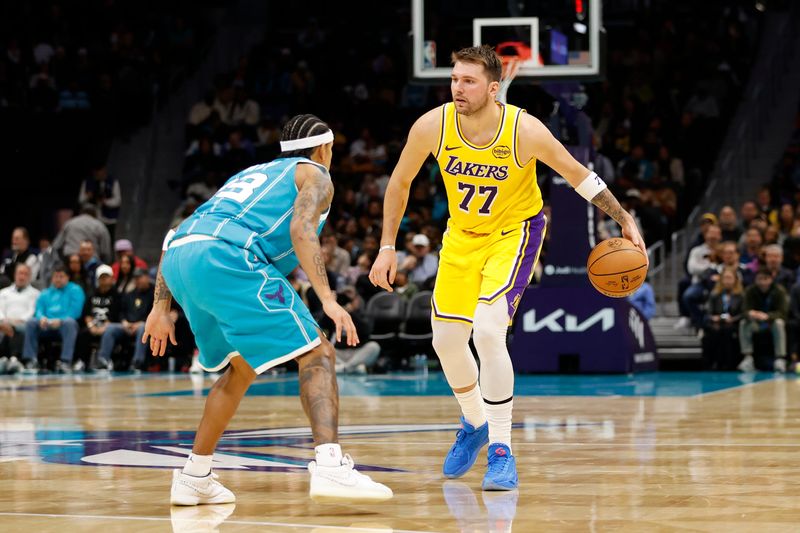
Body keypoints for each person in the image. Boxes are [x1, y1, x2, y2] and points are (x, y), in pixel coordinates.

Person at [369, 45, 646, 491]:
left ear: (493, 88)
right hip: (462, 237)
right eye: (455, 79)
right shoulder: (432, 126)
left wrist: (625, 218)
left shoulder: (524, 130)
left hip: (513, 235)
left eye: (469, 81)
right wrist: (387, 246)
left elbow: (579, 175)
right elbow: (399, 183)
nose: (458, 88)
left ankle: (501, 449)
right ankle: (475, 422)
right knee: (445, 340)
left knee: (488, 329)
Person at [143, 114, 392, 506]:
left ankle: (194, 475)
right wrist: (328, 299)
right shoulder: (316, 175)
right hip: (226, 256)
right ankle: (330, 467)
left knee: (240, 368)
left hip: (180, 259)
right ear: (324, 148)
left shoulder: (251, 174)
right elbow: (301, 230)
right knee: (317, 352)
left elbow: (177, 231)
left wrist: (160, 305)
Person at [22, 263, 85, 373]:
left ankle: (65, 361)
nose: (58, 279)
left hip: (64, 326)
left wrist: (61, 320)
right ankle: (31, 360)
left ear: (67, 278)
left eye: (61, 276)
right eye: (56, 276)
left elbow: (76, 311)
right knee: (31, 322)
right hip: (46, 325)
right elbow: (39, 309)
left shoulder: (75, 290)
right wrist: (41, 318)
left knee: (70, 323)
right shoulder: (45, 293)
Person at [738, 269, 788, 373]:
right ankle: (748, 358)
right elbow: (743, 311)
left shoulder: (779, 291)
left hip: (771, 322)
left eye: (765, 279)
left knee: (779, 323)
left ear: (771, 279)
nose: (762, 282)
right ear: (755, 280)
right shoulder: (750, 291)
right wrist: (750, 313)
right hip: (756, 323)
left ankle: (780, 358)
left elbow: (783, 313)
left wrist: (768, 316)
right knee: (743, 323)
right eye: (759, 279)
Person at [0, 264, 40, 373]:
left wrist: (18, 321)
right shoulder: (3, 292)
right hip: (4, 322)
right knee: (4, 328)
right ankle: (4, 359)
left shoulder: (36, 294)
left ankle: (14, 358)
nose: (22, 277)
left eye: (25, 274)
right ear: (14, 275)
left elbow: (32, 311)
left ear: (30, 276)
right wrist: (4, 320)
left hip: (23, 323)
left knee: (18, 328)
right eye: (19, 273)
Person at [702, 267, 744, 370]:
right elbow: (708, 312)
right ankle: (711, 363)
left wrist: (733, 319)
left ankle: (729, 364)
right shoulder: (714, 294)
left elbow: (744, 313)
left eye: (730, 278)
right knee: (711, 331)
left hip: (733, 324)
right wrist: (713, 318)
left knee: (728, 331)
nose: (727, 281)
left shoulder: (741, 295)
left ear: (735, 280)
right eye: (725, 278)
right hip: (718, 323)